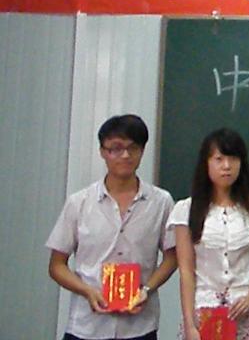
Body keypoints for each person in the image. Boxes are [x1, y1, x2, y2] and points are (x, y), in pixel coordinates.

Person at [47, 114, 177, 340]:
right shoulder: (79, 202)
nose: (125, 155)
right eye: (116, 149)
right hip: (87, 326)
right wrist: (87, 291)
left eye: (132, 148)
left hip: (140, 326)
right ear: (102, 151)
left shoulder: (161, 202)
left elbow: (172, 257)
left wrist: (147, 290)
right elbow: (57, 265)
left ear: (142, 151)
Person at [168, 128, 249, 340]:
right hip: (204, 310)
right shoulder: (186, 210)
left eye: (233, 159)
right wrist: (189, 323)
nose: (227, 166)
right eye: (219, 159)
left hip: (244, 311)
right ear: (206, 163)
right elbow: (186, 271)